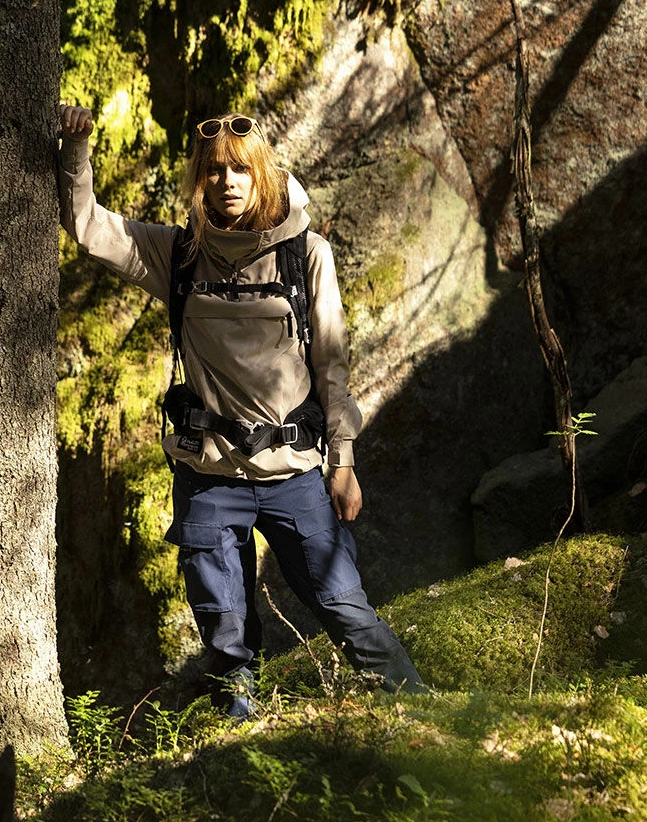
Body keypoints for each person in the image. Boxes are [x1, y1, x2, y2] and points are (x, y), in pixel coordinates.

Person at [58, 104, 425, 718]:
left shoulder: (307, 254)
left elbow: (332, 364)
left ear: (264, 175)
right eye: (214, 171)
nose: (227, 181)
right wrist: (76, 149)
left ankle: (423, 710)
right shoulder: (177, 255)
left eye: (240, 169)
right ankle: (239, 738)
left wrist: (343, 461)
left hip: (294, 474)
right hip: (209, 477)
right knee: (225, 635)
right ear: (199, 181)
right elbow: (88, 225)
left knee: (345, 606)